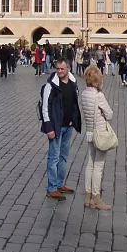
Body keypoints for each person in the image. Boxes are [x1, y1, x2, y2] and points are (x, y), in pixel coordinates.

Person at [39, 60, 82, 200]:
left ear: (68, 68)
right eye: (57, 69)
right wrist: (49, 128)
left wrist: (74, 120)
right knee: (54, 158)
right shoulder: (50, 86)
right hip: (56, 127)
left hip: (68, 126)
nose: (59, 71)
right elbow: (45, 108)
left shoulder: (73, 83)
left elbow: (74, 102)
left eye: (62, 69)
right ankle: (51, 188)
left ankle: (59, 184)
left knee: (63, 156)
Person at [79, 66, 114, 210]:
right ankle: (96, 198)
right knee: (98, 166)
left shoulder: (84, 93)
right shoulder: (98, 96)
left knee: (90, 164)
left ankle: (87, 197)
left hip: (89, 132)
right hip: (100, 133)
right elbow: (110, 114)